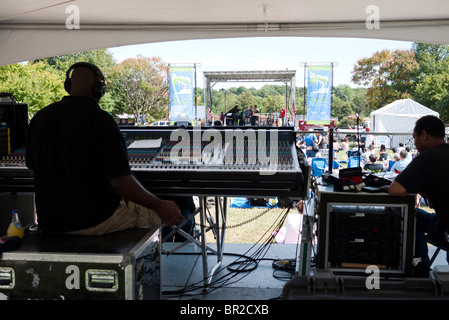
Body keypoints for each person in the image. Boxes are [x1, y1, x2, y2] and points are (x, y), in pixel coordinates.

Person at [25, 62, 184, 235]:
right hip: (94, 221)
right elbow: (120, 182)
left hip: (49, 222)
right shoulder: (101, 120)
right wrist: (159, 205)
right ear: (99, 89)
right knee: (155, 212)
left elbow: (33, 171)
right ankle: (147, 260)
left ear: (68, 86)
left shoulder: (39, 118)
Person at [389, 115, 449, 276]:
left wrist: (418, 187)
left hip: (446, 228)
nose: (414, 143)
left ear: (424, 135)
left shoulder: (427, 157)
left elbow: (395, 190)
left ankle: (420, 267)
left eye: (415, 138)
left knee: (411, 215)